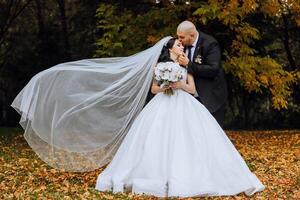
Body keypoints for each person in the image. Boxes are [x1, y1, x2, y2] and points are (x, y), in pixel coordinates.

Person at [95, 38, 265, 197]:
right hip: (163, 102)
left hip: (184, 102)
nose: (181, 47)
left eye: (182, 45)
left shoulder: (186, 64)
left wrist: (179, 85)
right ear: (170, 48)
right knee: (156, 138)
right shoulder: (160, 65)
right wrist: (166, 87)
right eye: (178, 45)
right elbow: (154, 89)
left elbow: (191, 88)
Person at [176, 21, 228, 127]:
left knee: (212, 131)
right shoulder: (181, 45)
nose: (179, 40)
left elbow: (213, 70)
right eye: (178, 37)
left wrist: (188, 64)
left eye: (182, 37)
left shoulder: (210, 43)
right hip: (188, 97)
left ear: (192, 35)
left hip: (210, 96)